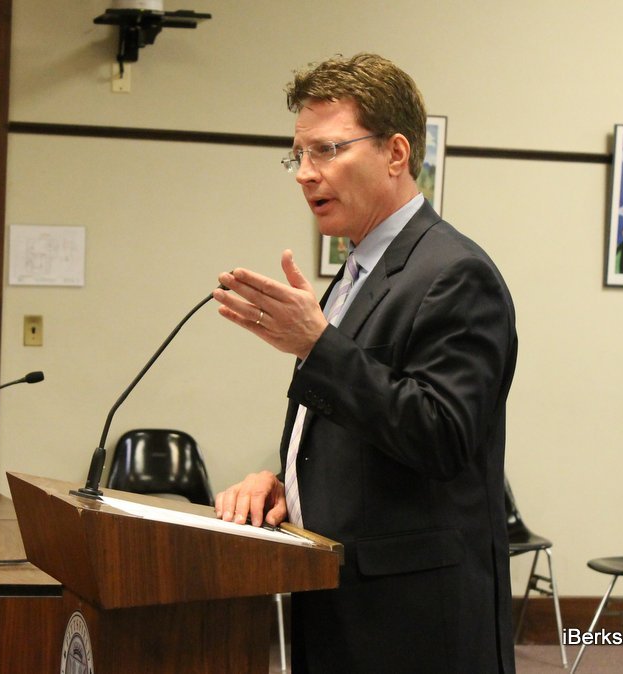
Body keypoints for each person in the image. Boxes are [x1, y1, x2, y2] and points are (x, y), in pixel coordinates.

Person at [211, 53, 517, 673]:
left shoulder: (455, 273)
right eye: (298, 155)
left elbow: (442, 437)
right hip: (340, 598)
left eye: (327, 150)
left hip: (413, 624)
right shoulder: (357, 272)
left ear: (395, 153)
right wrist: (286, 484)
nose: (305, 173)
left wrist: (318, 346)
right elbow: (365, 435)